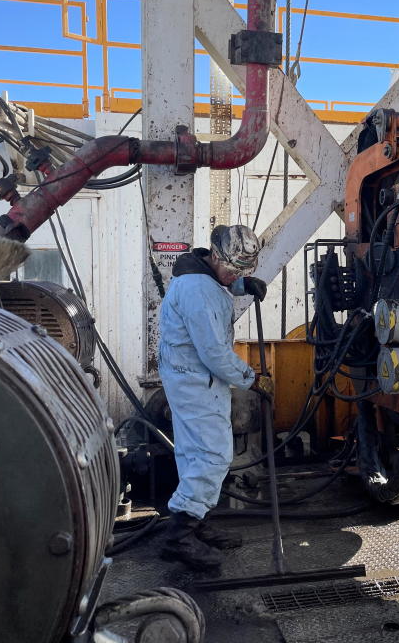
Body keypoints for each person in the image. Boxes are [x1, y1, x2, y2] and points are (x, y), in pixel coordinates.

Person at [157, 224, 272, 571]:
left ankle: (196, 523)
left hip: (190, 376)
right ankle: (179, 537)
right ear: (215, 255)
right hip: (196, 378)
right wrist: (252, 380)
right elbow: (214, 354)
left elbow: (218, 281)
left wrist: (241, 285)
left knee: (194, 453)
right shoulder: (199, 291)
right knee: (213, 455)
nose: (234, 275)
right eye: (233, 270)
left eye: (243, 271)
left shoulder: (203, 274)